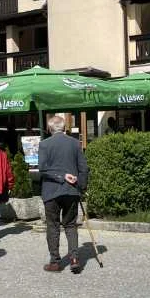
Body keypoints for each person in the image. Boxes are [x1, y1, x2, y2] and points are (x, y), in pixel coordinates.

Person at [38, 115, 88, 274]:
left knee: (53, 226)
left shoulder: (44, 144)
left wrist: (60, 177)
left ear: (49, 128)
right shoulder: (75, 143)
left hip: (51, 191)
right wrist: (81, 186)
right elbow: (83, 168)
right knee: (70, 225)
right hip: (71, 190)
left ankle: (55, 262)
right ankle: (74, 258)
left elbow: (43, 169)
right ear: (64, 127)